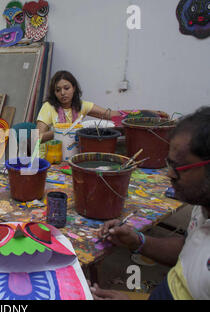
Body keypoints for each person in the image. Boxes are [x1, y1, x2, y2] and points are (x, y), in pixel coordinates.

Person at [90, 106, 210, 300]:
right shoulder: (202, 207)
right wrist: (138, 241)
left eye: (179, 167)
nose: (169, 174)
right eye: (169, 164)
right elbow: (190, 250)